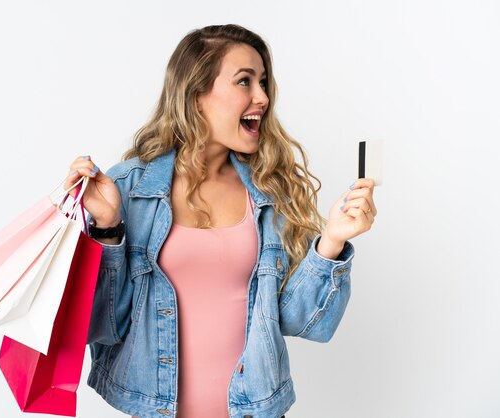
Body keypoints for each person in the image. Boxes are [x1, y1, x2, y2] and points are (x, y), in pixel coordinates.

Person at [65, 24, 377, 418]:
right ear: (196, 95)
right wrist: (107, 227)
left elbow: (302, 322)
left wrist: (331, 241)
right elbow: (102, 326)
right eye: (244, 81)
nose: (262, 97)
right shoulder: (128, 188)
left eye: (263, 82)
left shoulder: (267, 192)